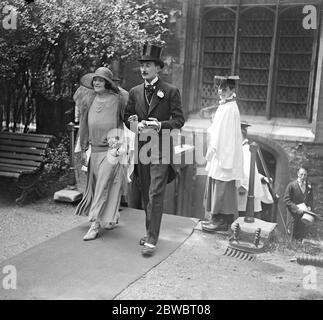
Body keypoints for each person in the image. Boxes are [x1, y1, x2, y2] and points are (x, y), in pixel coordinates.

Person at [124, 44, 185, 257]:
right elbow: (127, 118)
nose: (144, 69)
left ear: (157, 68)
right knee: (147, 193)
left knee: (156, 192)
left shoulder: (170, 91)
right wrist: (135, 125)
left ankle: (151, 239)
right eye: (142, 66)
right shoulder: (134, 92)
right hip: (143, 148)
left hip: (161, 148)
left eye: (148, 65)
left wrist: (159, 125)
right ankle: (150, 231)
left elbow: (179, 120)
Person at [74, 67, 129, 241]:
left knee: (103, 185)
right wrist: (83, 147)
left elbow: (127, 107)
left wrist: (113, 85)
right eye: (95, 80)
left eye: (101, 80)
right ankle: (111, 214)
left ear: (107, 83)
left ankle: (94, 224)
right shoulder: (89, 99)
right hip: (94, 150)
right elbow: (83, 124)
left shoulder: (118, 99)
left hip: (112, 150)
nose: (96, 83)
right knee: (100, 185)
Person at [202, 76, 244, 232]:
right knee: (216, 182)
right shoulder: (225, 106)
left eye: (225, 89)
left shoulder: (229, 108)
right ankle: (215, 218)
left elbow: (222, 133)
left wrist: (213, 148)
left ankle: (221, 220)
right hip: (221, 151)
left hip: (224, 152)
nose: (221, 92)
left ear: (232, 90)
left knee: (222, 186)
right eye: (219, 88)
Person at [237, 122, 273, 218]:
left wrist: (242, 186)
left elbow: (248, 170)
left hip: (245, 190)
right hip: (244, 187)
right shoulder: (240, 148)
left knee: (244, 214)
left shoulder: (245, 149)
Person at [283, 166, 314, 240]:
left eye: (305, 175)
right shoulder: (291, 185)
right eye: (301, 174)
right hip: (293, 216)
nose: (303, 177)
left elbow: (310, 200)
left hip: (303, 216)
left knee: (300, 236)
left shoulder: (308, 187)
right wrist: (296, 209)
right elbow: (286, 200)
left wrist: (309, 207)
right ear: (298, 174)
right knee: (291, 236)